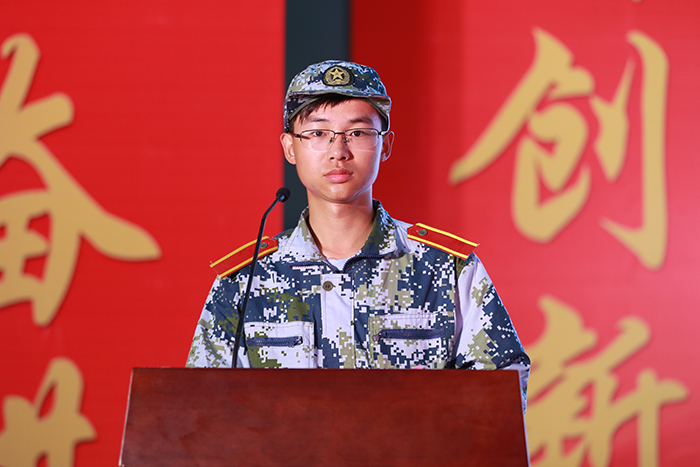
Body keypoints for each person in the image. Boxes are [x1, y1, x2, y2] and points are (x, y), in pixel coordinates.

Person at [186, 60, 530, 409]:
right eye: (318, 133)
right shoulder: (245, 280)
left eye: (358, 133)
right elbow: (201, 408)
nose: (338, 151)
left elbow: (501, 395)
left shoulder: (446, 269)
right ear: (290, 147)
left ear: (386, 145)